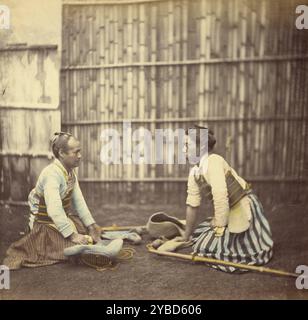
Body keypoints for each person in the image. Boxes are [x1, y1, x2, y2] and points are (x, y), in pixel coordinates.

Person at [180, 126, 274, 273]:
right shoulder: (195, 172)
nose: (183, 150)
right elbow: (192, 204)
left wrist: (219, 223)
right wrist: (186, 235)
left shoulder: (214, 161)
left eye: (187, 145)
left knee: (206, 247)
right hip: (228, 208)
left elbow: (220, 195)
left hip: (243, 205)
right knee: (198, 234)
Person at [3, 132, 102, 270]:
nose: (80, 156)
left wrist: (91, 225)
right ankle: (87, 252)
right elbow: (54, 209)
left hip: (60, 220)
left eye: (80, 152)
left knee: (88, 233)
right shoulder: (51, 174)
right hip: (45, 224)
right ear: (61, 153)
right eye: (76, 152)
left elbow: (79, 201)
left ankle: (87, 246)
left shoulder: (70, 173)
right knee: (72, 245)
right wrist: (72, 235)